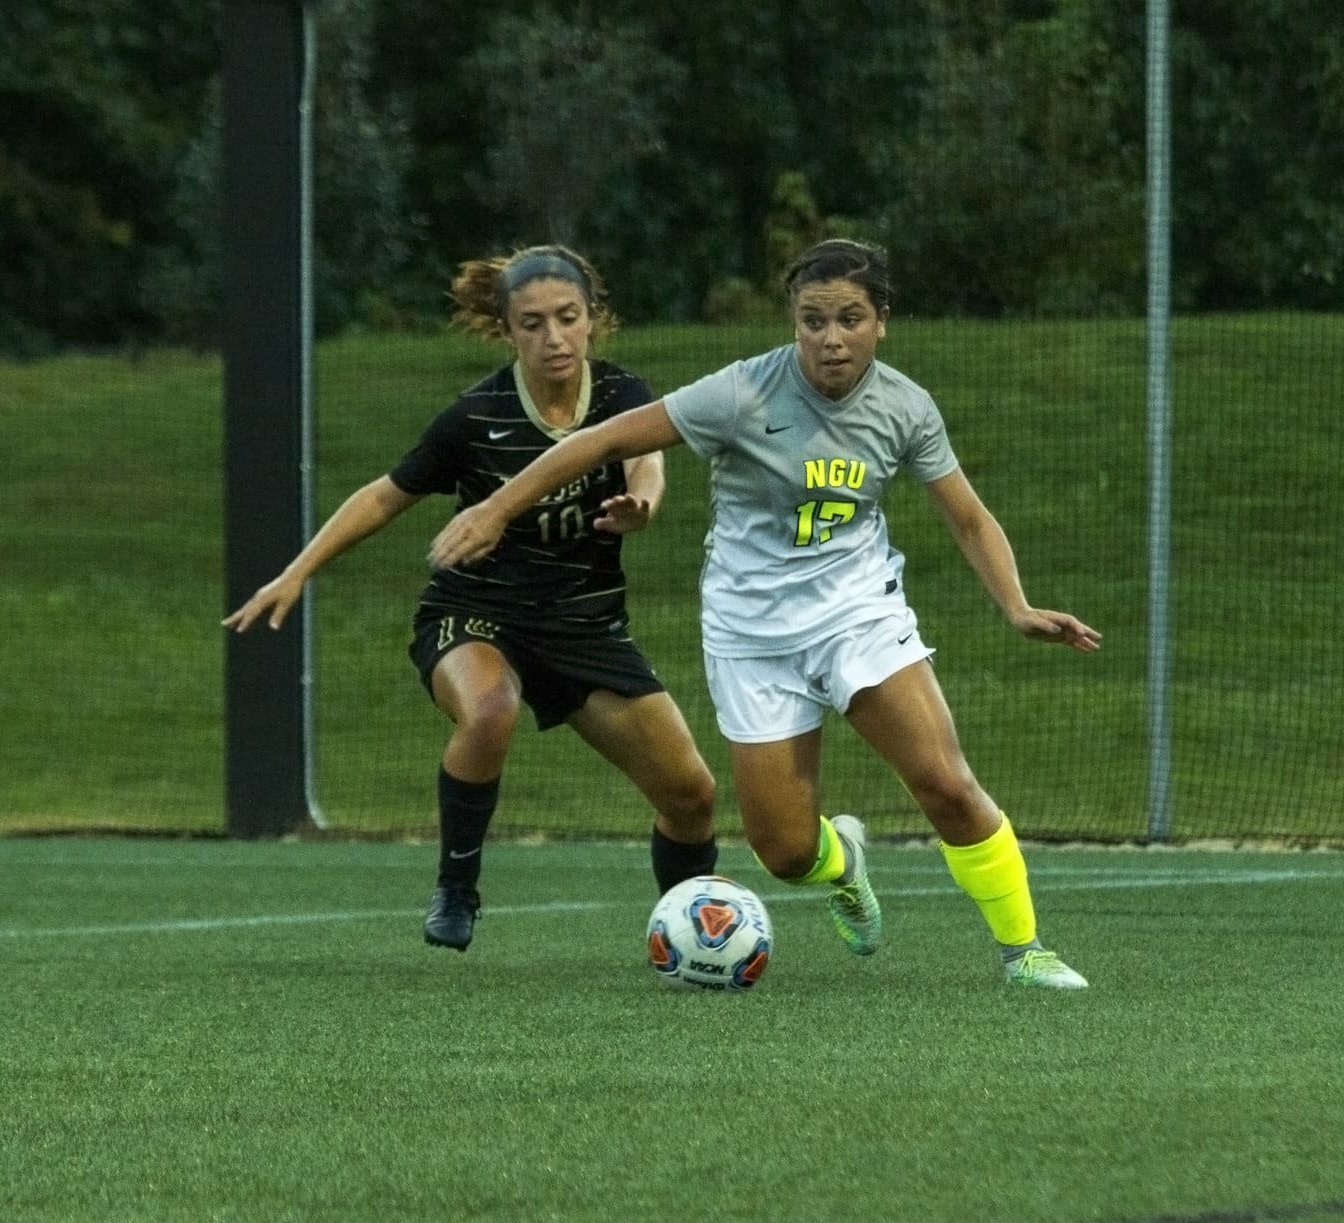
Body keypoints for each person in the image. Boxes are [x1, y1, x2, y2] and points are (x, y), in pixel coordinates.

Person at [429, 238, 1101, 990]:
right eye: (813, 320)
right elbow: (600, 441)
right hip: (751, 635)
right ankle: (844, 865)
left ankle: (1026, 949)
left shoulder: (906, 407)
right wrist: (494, 508)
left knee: (944, 781)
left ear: (882, 321)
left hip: (858, 614)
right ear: (794, 324)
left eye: (850, 317)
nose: (831, 337)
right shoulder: (742, 393)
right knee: (782, 850)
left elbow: (970, 519)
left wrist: (1016, 606)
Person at [227, 245, 719, 951]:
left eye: (567, 318)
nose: (553, 337)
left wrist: (643, 499)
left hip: (583, 623)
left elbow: (647, 455)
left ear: (594, 321)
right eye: (532, 323)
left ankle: (692, 935)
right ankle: (456, 887)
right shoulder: (475, 415)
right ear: (507, 330)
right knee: (491, 709)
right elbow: (382, 496)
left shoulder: (620, 395)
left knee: (692, 794)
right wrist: (297, 570)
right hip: (475, 613)